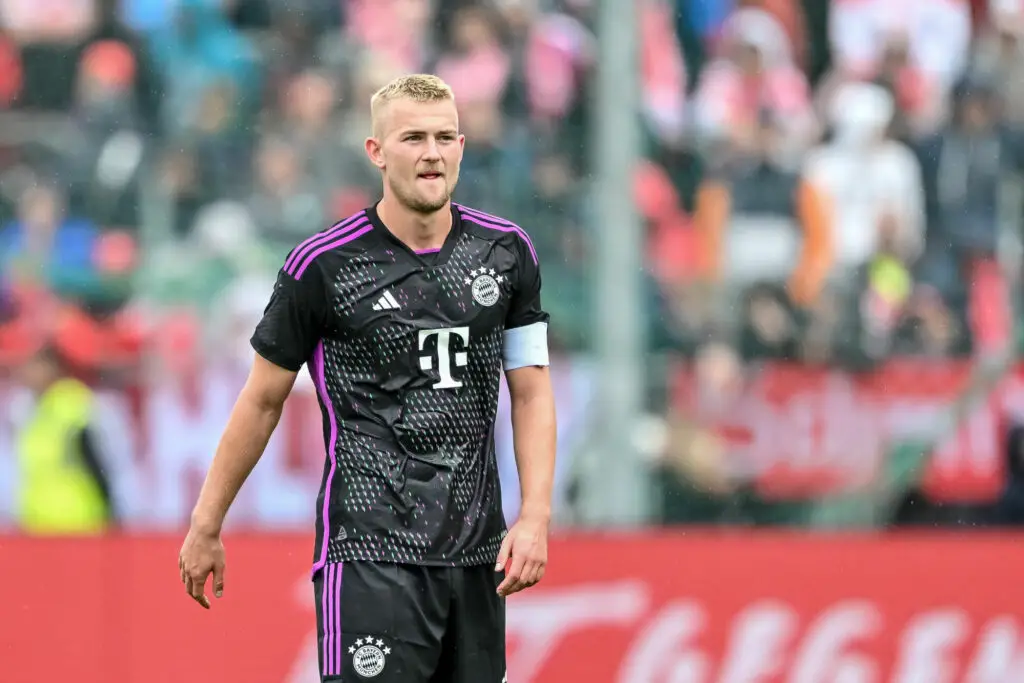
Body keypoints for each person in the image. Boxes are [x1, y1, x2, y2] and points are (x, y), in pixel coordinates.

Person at [178, 73, 556, 683]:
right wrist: (206, 521)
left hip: (476, 556)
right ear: (376, 152)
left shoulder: (507, 252)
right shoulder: (322, 265)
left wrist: (535, 515)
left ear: (462, 146)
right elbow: (262, 400)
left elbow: (532, 391)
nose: (432, 153)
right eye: (413, 138)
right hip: (368, 552)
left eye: (444, 138)